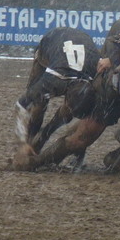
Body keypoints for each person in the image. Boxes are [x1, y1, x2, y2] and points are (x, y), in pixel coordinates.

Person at [13, 27, 99, 164]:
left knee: (61, 112)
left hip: (77, 45)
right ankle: (32, 140)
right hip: (51, 42)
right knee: (38, 103)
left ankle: (44, 134)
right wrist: (22, 143)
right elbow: (21, 106)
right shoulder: (54, 80)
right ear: (67, 95)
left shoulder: (96, 75)